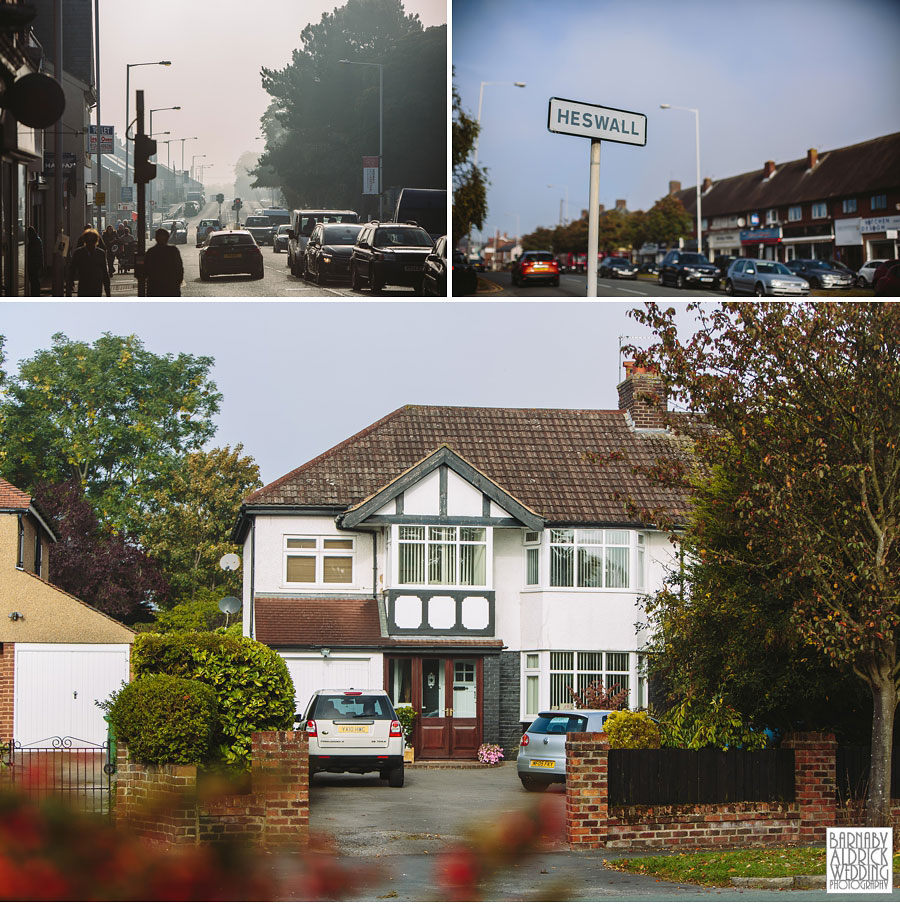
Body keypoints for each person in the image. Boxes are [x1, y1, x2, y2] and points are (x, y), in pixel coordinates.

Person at [65, 228, 110, 297]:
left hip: (93, 287)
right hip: (87, 286)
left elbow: (105, 272)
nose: (91, 243)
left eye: (92, 241)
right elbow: (72, 270)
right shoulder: (79, 253)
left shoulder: (99, 253)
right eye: (89, 241)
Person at [143, 227, 184, 297]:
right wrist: (178, 282)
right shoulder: (173, 251)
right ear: (168, 238)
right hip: (171, 287)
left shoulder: (151, 252)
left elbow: (145, 270)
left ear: (156, 238)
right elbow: (179, 268)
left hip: (155, 288)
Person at [26, 226, 43, 296]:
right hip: (36, 264)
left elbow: (33, 253)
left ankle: (35, 295)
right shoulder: (37, 240)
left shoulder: (33, 241)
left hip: (33, 265)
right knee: (35, 281)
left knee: (34, 282)